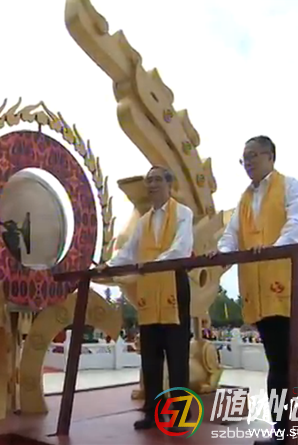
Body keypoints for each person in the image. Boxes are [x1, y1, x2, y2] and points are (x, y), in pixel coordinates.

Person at [210, 136, 298, 445]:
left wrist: (273, 250)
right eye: (244, 158)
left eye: (253, 156)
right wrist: (222, 253)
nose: (248, 163)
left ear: (271, 156)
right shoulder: (244, 199)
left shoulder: (290, 186)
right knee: (276, 363)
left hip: (288, 280)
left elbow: (297, 226)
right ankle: (283, 431)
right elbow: (232, 234)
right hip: (259, 288)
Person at [96, 166, 194, 431]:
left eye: (157, 179)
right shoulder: (144, 222)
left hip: (173, 285)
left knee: (177, 355)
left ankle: (181, 414)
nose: (152, 185)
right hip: (149, 289)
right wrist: (109, 265)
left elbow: (181, 248)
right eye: (149, 180)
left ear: (169, 184)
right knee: (150, 355)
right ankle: (152, 412)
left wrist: (153, 264)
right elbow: (128, 252)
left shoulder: (183, 213)